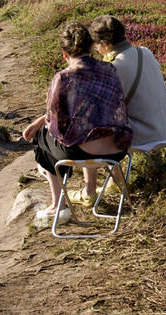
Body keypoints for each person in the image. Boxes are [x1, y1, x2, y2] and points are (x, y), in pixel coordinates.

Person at [21, 22, 133, 224]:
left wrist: (41, 124)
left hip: (81, 152)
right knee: (56, 134)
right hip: (117, 149)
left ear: (64, 53)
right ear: (91, 47)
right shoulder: (109, 69)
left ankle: (58, 206)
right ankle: (74, 197)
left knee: (43, 139)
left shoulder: (63, 77)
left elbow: (56, 123)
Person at [72, 15, 166, 202]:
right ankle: (110, 185)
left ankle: (91, 191)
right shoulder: (146, 52)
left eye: (97, 46)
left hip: (146, 136)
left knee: (92, 128)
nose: (97, 51)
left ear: (105, 44)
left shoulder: (112, 68)